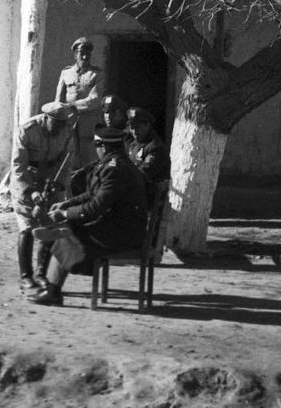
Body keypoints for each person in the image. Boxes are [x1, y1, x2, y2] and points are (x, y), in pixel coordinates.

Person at [29, 127, 147, 306]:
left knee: (67, 233)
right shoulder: (114, 164)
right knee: (67, 228)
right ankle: (51, 284)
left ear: (103, 147)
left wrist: (64, 214)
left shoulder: (114, 170)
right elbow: (92, 194)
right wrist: (67, 204)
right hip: (121, 226)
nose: (95, 148)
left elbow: (96, 207)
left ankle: (52, 290)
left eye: (96, 144)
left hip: (123, 233)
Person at [9, 101, 78, 294]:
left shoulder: (66, 131)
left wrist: (59, 185)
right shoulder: (27, 130)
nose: (58, 129)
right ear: (46, 118)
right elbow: (18, 166)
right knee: (27, 226)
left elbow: (67, 161)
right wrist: (31, 191)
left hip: (50, 177)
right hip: (26, 179)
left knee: (50, 224)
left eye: (62, 125)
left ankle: (40, 274)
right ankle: (25, 277)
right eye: (55, 124)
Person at [55, 36, 102, 164]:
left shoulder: (96, 74)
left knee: (88, 157)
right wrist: (59, 118)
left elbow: (95, 99)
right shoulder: (66, 73)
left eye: (88, 54)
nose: (85, 57)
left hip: (88, 123)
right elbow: (58, 100)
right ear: (75, 55)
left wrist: (72, 105)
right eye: (82, 54)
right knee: (67, 155)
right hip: (68, 121)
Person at [125, 105, 171, 203]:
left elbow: (142, 176)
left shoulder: (155, 147)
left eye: (137, 127)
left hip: (148, 198)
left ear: (147, 125)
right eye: (131, 127)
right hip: (135, 192)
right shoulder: (134, 144)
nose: (134, 131)